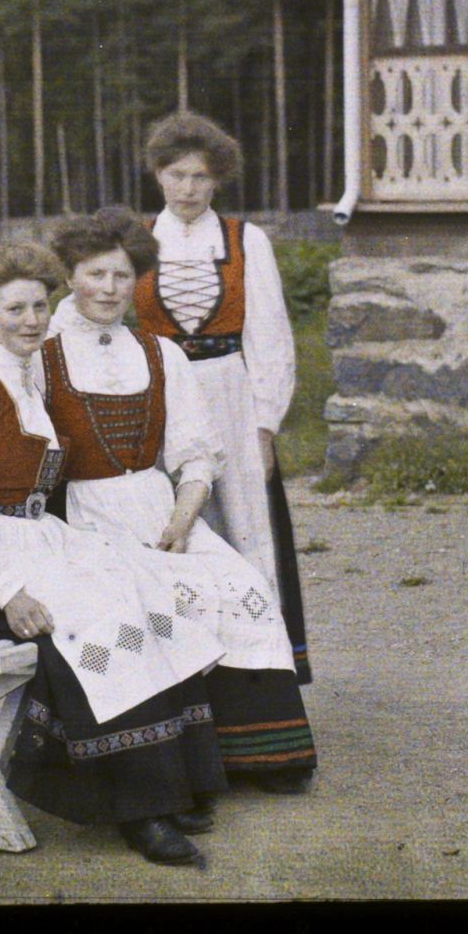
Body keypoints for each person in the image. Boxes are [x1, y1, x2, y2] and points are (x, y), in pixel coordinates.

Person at [0, 242, 231, 866]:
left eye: (40, 306)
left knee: (145, 591)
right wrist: (8, 591)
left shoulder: (27, 381)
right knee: (101, 620)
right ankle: (139, 810)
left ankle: (173, 784)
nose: (31, 320)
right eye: (14, 309)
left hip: (34, 541)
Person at [41, 206, 317, 796]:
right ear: (69, 277)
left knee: (239, 584)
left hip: (160, 508)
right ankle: (171, 768)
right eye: (95, 274)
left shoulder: (161, 354)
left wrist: (183, 519)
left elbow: (196, 455)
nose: (109, 289)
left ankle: (258, 754)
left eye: (122, 276)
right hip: (85, 517)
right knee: (147, 602)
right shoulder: (43, 354)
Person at [134, 111, 312, 683]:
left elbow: (271, 338)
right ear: (158, 175)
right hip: (162, 396)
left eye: (201, 177)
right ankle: (185, 671)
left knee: (243, 523)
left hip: (228, 392)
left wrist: (264, 427)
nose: (188, 188)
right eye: (177, 175)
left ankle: (258, 673)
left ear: (218, 180)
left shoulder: (245, 240)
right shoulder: (137, 241)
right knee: (171, 524)